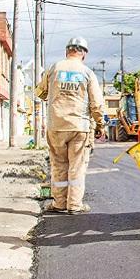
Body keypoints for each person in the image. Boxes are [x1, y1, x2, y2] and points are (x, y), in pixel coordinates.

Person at [35, 37, 105, 215]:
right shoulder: (87, 72)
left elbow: (40, 92)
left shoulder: (54, 68)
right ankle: (74, 205)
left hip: (56, 125)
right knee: (77, 166)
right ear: (84, 54)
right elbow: (96, 104)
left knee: (58, 165)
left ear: (67, 51)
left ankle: (59, 203)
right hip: (79, 126)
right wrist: (100, 124)